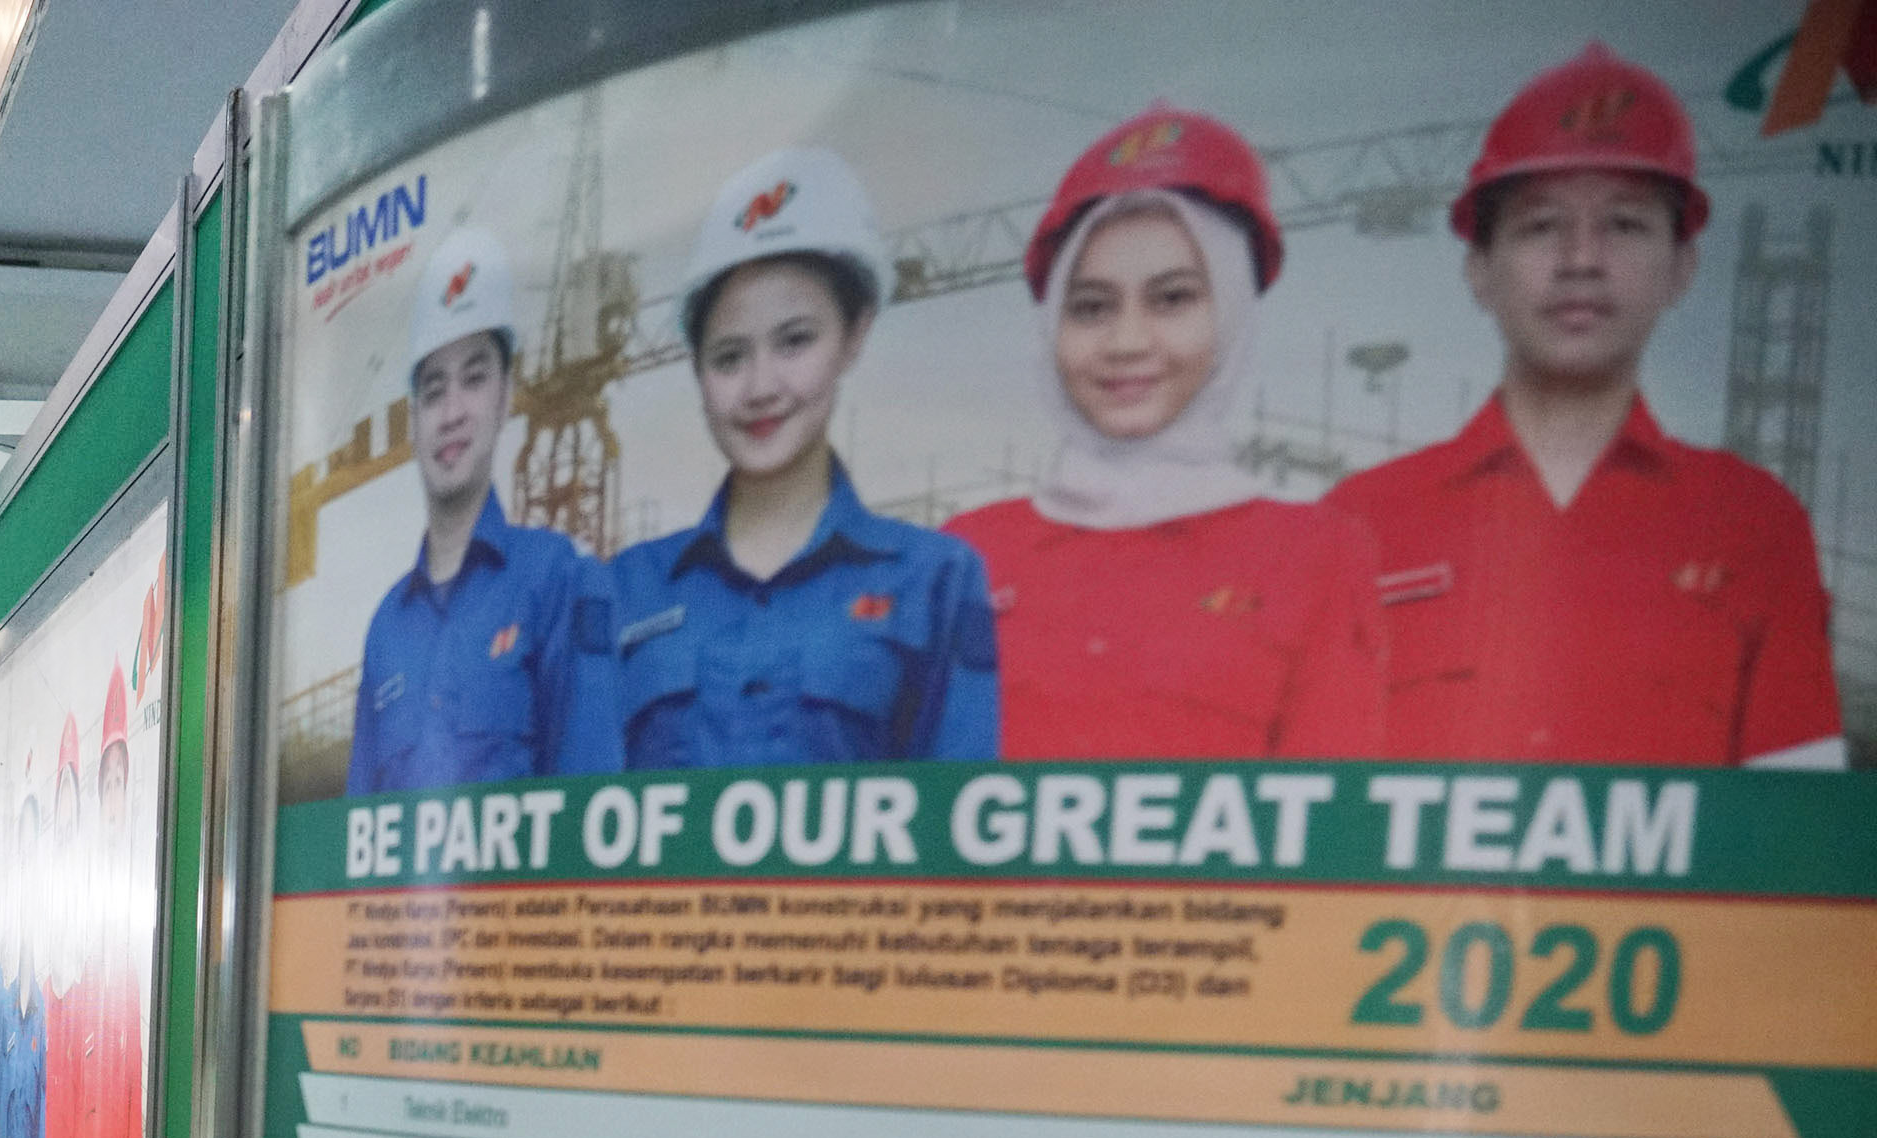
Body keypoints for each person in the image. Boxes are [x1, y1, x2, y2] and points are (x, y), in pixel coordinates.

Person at [1328, 47, 1841, 767]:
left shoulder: (1756, 526)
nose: (1581, 259)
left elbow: (1799, 831)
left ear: (1681, 269)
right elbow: (1308, 823)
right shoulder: (1358, 524)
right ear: (1479, 271)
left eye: (1625, 225)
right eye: (1541, 226)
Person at [946, 106, 1386, 760]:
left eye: (1172, 298)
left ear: (1230, 316)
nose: (1127, 342)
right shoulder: (964, 556)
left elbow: (1328, 834)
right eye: (1091, 307)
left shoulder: (1318, 556)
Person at [612, 148, 998, 769]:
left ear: (855, 334)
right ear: (696, 370)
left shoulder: (935, 584)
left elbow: (955, 838)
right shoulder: (624, 591)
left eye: (795, 341)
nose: (761, 386)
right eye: (729, 357)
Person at [344, 225, 622, 797]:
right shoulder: (386, 630)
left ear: (505, 396)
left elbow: (587, 819)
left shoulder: (557, 582)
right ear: (415, 417)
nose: (452, 414)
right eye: (434, 389)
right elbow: (358, 835)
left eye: (474, 379)